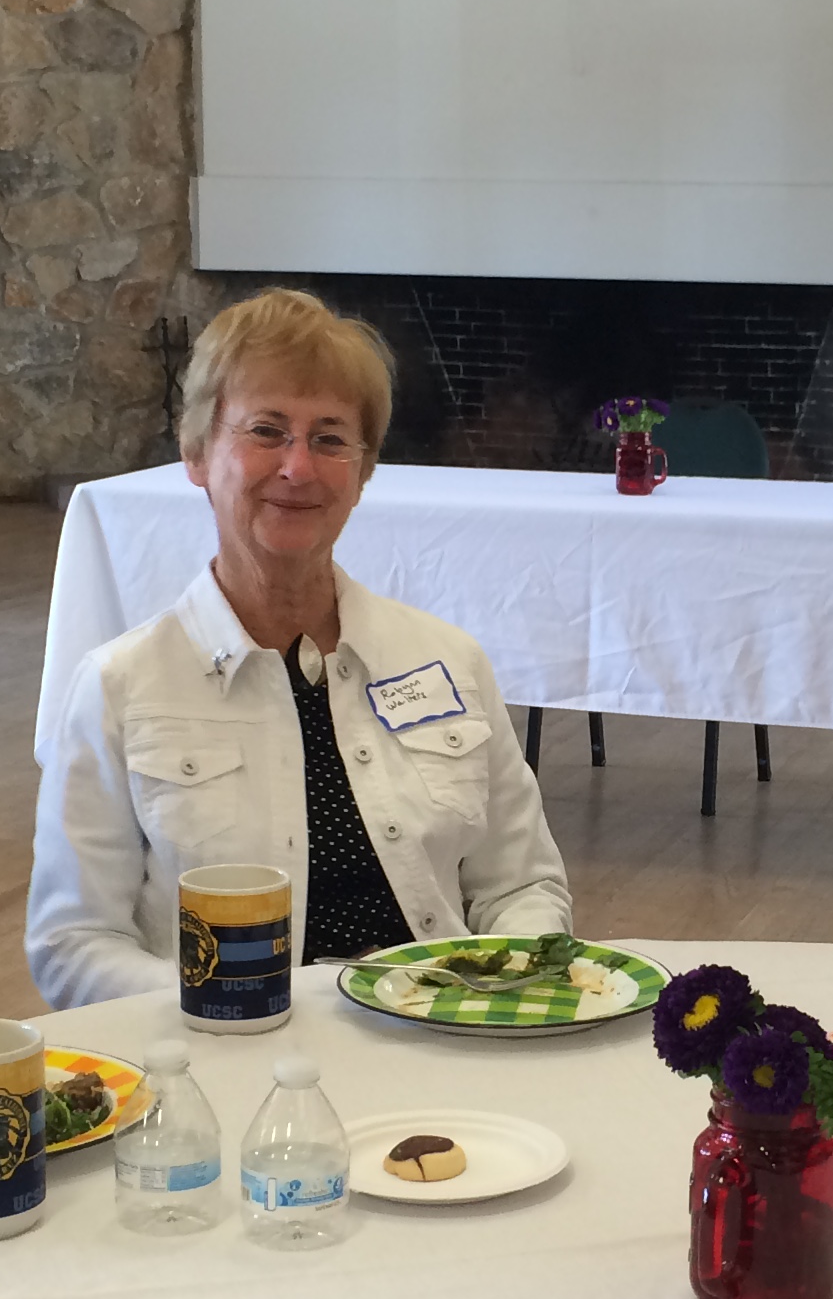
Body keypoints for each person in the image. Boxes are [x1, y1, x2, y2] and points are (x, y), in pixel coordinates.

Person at [29, 287, 571, 1007]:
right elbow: (73, 946)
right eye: (266, 430)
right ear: (196, 454)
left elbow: (522, 886)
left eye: (329, 438)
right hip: (226, 1061)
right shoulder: (121, 688)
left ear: (362, 471)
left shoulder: (448, 662)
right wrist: (268, 1003)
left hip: (447, 1038)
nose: (299, 467)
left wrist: (492, 995)